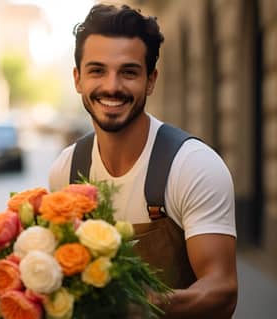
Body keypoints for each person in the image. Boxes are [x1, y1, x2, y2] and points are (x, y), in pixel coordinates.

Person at [49, 3, 238, 318]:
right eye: (97, 70)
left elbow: (222, 291)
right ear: (78, 79)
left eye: (128, 72)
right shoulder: (66, 171)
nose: (112, 86)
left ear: (151, 80)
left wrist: (137, 305)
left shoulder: (193, 166)